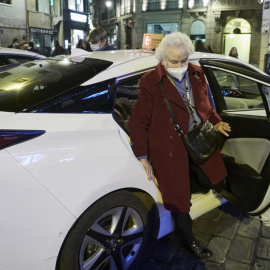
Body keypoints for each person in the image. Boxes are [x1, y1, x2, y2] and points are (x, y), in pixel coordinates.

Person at [128, 32, 231, 258]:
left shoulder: (196, 73)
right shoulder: (150, 81)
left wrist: (217, 121)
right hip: (169, 149)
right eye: (174, 61)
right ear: (162, 59)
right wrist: (143, 156)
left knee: (211, 178)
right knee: (179, 200)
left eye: (184, 60)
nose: (180, 65)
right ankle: (188, 240)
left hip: (198, 140)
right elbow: (138, 120)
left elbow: (205, 105)